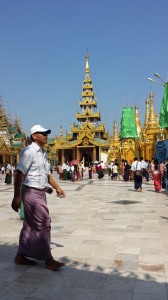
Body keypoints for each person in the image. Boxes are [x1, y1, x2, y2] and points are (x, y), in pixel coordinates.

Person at [11, 124, 65, 271]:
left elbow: (46, 175)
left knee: (29, 224)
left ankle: (21, 255)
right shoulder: (29, 152)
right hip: (30, 192)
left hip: (39, 192)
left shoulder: (42, 153)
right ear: (34, 136)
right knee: (44, 222)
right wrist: (16, 196)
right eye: (42, 133)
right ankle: (48, 259)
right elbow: (19, 173)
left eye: (46, 133)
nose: (46, 136)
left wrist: (57, 187)